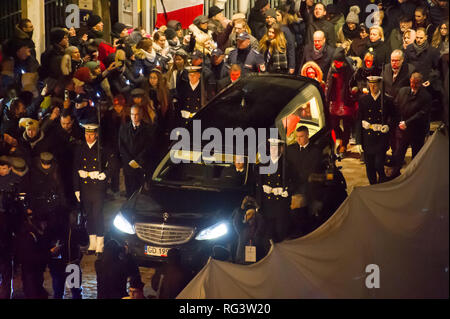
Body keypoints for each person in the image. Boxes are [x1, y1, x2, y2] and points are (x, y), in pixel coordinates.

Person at [73, 123, 113, 256]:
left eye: (91, 134)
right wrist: (76, 188)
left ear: (96, 134)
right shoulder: (80, 148)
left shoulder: (102, 149)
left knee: (97, 215)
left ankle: (100, 242)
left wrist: (105, 174)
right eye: (86, 134)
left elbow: (113, 164)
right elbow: (75, 168)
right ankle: (93, 241)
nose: (88, 137)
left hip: (97, 187)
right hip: (85, 186)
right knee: (89, 216)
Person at [390, 72, 432, 179]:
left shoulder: (425, 96)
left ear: (421, 83)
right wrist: (399, 121)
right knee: (399, 153)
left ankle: (414, 176)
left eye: (416, 83)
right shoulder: (403, 91)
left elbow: (422, 114)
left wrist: (407, 123)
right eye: (412, 82)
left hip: (417, 131)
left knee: (416, 155)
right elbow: (396, 105)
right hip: (402, 129)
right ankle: (395, 173)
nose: (413, 85)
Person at [286, 126, 324, 236]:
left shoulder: (316, 151)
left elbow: (318, 170)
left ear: (307, 136)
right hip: (295, 187)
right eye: (297, 137)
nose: (298, 139)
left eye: (301, 136)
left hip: (310, 187)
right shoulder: (290, 150)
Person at [357, 76, 394, 185]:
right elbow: (358, 119)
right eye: (371, 84)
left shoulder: (386, 100)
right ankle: (373, 186)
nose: (372, 87)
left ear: (379, 85)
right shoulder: (363, 99)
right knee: (370, 166)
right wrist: (358, 140)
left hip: (381, 137)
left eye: (375, 84)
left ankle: (382, 180)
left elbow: (395, 116)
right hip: (368, 137)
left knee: (378, 164)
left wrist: (388, 125)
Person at [255, 138, 290, 243]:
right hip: (267, 204)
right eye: (271, 148)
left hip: (280, 204)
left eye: (275, 148)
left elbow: (293, 181)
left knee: (279, 233)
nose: (273, 151)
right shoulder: (262, 164)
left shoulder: (286, 165)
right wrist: (262, 187)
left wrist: (285, 190)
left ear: (280, 149)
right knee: (267, 235)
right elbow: (257, 181)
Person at [119, 105, 155, 198]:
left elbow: (148, 147)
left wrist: (137, 160)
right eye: (132, 114)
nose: (134, 117)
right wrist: (129, 160)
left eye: (136, 114)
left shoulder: (148, 129)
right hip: (128, 166)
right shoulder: (124, 128)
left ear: (141, 115)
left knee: (140, 194)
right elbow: (121, 146)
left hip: (141, 166)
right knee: (129, 192)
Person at [325, 48, 355, 155]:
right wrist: (326, 98)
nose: (336, 64)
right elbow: (328, 84)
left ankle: (344, 144)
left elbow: (353, 83)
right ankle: (342, 139)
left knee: (347, 124)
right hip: (335, 99)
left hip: (345, 99)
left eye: (339, 62)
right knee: (334, 124)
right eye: (335, 62)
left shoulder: (349, 69)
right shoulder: (332, 68)